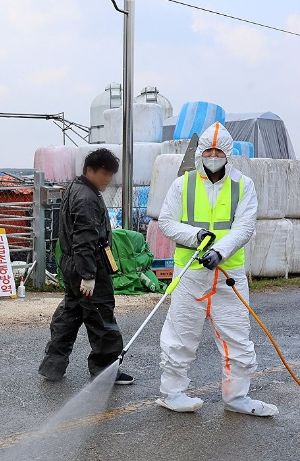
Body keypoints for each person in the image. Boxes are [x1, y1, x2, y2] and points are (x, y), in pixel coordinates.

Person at [156, 122, 278, 416]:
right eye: (208, 150)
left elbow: (245, 227)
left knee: (237, 338)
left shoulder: (243, 185)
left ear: (227, 153)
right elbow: (166, 222)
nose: (213, 155)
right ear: (200, 153)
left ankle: (237, 398)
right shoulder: (182, 184)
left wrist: (219, 252)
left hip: (228, 277)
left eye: (218, 150)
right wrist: (195, 236)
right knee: (180, 335)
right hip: (190, 275)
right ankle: (172, 393)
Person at [38, 148, 133, 385]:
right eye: (104, 173)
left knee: (71, 314)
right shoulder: (87, 198)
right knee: (101, 317)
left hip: (73, 265)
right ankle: (105, 371)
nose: (108, 179)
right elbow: (85, 239)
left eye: (111, 174)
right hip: (89, 265)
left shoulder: (75, 188)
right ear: (89, 170)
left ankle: (53, 365)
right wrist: (89, 275)